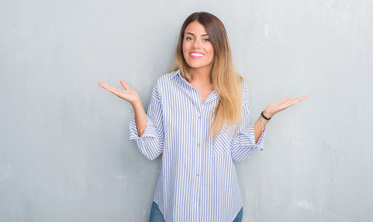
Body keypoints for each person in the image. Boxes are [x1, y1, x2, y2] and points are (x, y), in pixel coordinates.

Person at [98, 12, 307, 222]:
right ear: (182, 43)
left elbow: (239, 152)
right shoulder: (164, 87)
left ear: (218, 46)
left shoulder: (236, 88)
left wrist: (265, 116)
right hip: (172, 210)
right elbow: (152, 151)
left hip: (222, 211)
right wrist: (137, 105)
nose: (196, 45)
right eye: (189, 38)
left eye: (206, 39)